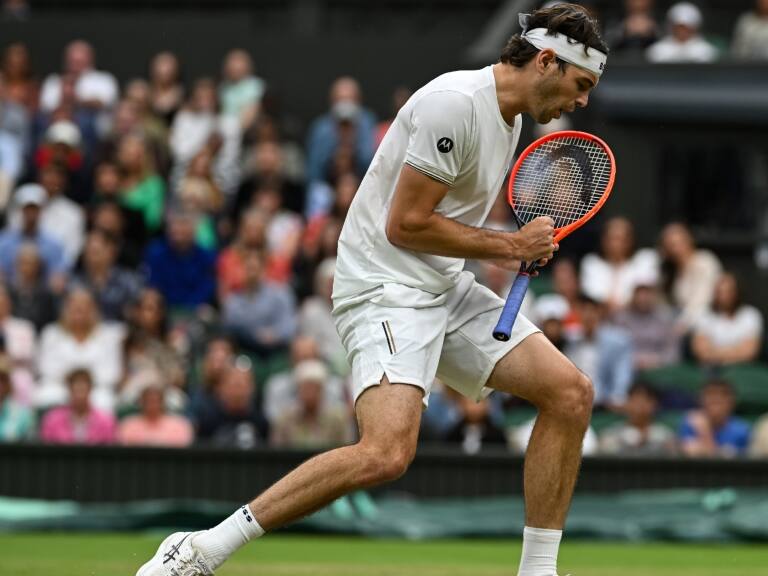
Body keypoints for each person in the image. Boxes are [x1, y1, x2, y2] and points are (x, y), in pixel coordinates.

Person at [136, 5, 607, 576]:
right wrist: (511, 247)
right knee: (385, 454)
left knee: (570, 394)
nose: (581, 102)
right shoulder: (454, 104)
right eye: (580, 85)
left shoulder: (510, 121)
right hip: (384, 287)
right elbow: (404, 225)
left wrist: (502, 248)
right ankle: (201, 548)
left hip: (442, 284)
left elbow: (442, 231)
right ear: (547, 61)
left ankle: (538, 572)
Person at [269, 359, 352, 449]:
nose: (310, 393)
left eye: (314, 388)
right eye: (305, 388)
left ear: (321, 390)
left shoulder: (337, 419)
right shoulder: (285, 419)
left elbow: (346, 450)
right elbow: (276, 451)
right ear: (298, 390)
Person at [658, 222, 722, 330]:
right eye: (670, 245)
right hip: (678, 320)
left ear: (689, 241)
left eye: (678, 243)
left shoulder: (705, 262)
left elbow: (702, 301)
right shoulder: (669, 271)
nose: (675, 249)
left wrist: (682, 324)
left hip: (707, 320)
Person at [691, 272, 763, 366]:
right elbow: (701, 351)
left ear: (737, 292)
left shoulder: (751, 315)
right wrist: (735, 352)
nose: (723, 296)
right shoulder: (704, 315)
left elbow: (749, 352)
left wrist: (714, 352)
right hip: (710, 370)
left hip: (742, 370)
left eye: (727, 292)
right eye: (719, 292)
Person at [39, 368, 116, 444]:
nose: (79, 395)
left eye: (82, 390)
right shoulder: (52, 420)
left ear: (90, 390)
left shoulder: (106, 421)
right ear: (69, 390)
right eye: (76, 390)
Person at [598, 382, 677, 456]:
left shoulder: (665, 436)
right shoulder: (611, 435)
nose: (638, 407)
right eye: (634, 400)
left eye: (644, 401)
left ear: (654, 404)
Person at [679, 379, 751, 457]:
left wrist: (704, 431)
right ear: (700, 400)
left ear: (732, 401)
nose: (716, 399)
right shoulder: (690, 423)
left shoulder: (741, 430)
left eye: (723, 394)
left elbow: (721, 461)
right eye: (710, 394)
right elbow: (688, 453)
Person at [118, 380, 194, 447]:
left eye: (155, 401)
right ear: (141, 402)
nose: (152, 405)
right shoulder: (128, 426)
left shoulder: (180, 426)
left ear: (162, 402)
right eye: (148, 401)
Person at [646, 2, 718, 63]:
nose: (682, 30)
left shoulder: (707, 51)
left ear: (695, 27)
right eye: (679, 27)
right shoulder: (657, 50)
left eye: (687, 27)